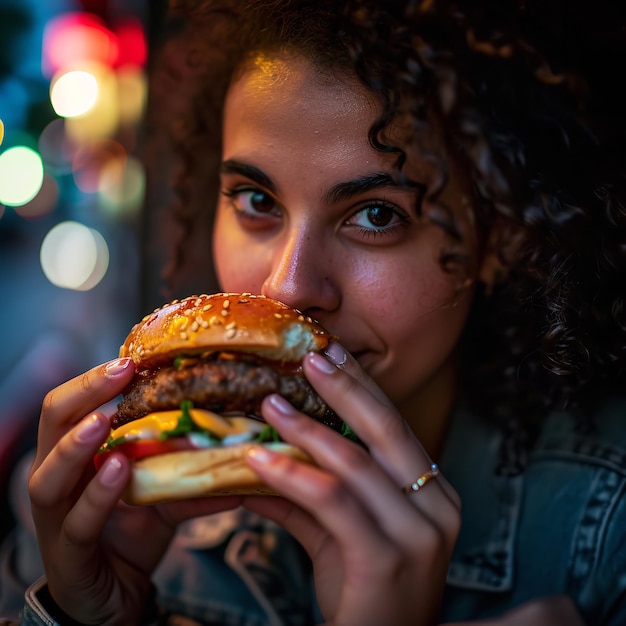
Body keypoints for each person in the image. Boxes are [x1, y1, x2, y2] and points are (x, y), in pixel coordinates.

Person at [3, 0, 626, 623]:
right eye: (255, 200)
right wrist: (78, 613)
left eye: (377, 215)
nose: (287, 288)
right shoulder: (93, 500)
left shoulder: (604, 534)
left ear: (502, 236)